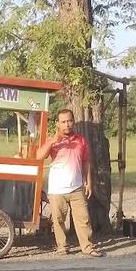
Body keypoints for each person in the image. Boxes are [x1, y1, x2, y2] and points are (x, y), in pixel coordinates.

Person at [37, 109, 104, 257]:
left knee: (83, 219)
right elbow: (39, 157)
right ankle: (62, 247)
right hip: (57, 189)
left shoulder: (80, 140)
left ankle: (87, 247)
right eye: (63, 122)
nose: (67, 124)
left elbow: (86, 162)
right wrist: (52, 142)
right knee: (58, 219)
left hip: (76, 187)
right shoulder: (52, 141)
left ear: (73, 122)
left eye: (69, 121)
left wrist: (88, 182)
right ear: (58, 124)